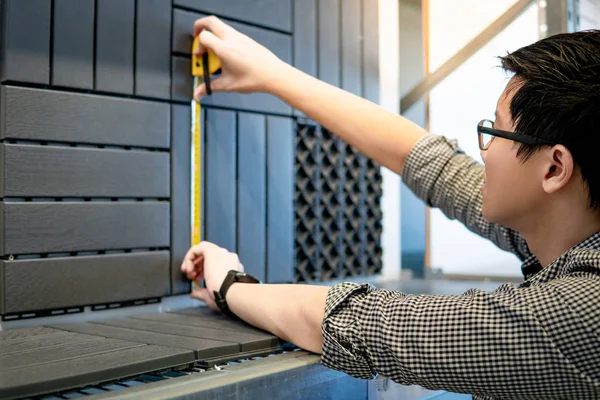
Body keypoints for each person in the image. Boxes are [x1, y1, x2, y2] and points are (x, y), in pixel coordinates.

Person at [181, 16, 600, 399]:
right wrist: (272, 74)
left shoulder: (583, 317)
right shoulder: (562, 225)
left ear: (555, 168)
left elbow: (370, 324)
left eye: (495, 131)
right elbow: (426, 161)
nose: (485, 152)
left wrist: (231, 286)